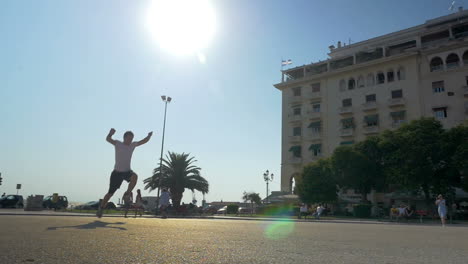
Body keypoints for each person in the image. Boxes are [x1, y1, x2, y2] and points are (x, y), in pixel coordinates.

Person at [96, 128, 153, 218]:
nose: (131, 140)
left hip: (127, 171)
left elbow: (143, 141)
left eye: (132, 138)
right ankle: (101, 208)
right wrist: (110, 134)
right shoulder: (118, 144)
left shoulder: (132, 145)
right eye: (129, 138)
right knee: (110, 194)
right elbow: (108, 139)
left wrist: (149, 136)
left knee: (135, 176)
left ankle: (127, 193)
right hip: (117, 173)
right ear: (124, 138)